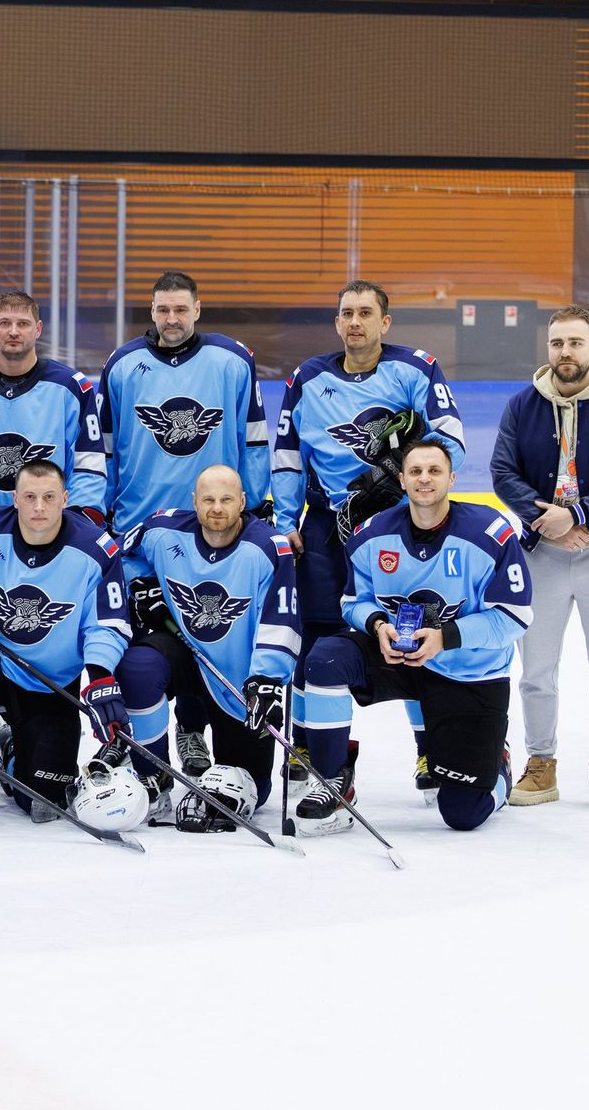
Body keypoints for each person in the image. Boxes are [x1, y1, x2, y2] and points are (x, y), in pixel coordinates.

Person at [271, 279, 465, 791]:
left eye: (365, 313)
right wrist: (286, 522)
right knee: (315, 636)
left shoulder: (416, 368)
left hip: (400, 527)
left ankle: (429, 749)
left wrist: (397, 478)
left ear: (385, 321)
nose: (355, 322)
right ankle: (311, 743)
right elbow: (288, 456)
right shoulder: (308, 377)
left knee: (413, 629)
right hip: (326, 526)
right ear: (337, 322)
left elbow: (450, 441)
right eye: (346, 313)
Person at [296, 440, 529, 834]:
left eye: (435, 471)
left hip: (468, 672)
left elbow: (514, 617)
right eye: (416, 471)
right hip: (400, 659)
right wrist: (377, 626)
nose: (425, 479)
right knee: (325, 658)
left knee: (463, 813)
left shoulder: (490, 533)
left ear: (452, 479)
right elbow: (352, 602)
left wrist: (445, 638)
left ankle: (498, 766)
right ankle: (333, 780)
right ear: (402, 480)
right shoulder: (371, 535)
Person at [490, 305, 589, 812]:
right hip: (541, 556)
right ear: (548, 348)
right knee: (536, 672)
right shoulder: (522, 406)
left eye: (576, 343)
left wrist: (577, 515)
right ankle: (541, 763)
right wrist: (549, 523)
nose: (566, 352)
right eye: (557, 343)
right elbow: (502, 473)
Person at [0, 460, 131, 823]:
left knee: (44, 802)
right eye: (29, 497)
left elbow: (107, 623)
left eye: (49, 497)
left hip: (47, 681)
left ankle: (11, 748)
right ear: (14, 499)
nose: (39, 507)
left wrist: (99, 674)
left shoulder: (96, 550)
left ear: (65, 499)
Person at [117, 465, 300, 828]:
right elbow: (118, 555)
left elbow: (282, 619)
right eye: (209, 499)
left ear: (243, 502)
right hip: (182, 650)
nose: (217, 508)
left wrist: (267, 679)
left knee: (253, 789)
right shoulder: (162, 530)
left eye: (226, 499)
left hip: (237, 676)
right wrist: (141, 583)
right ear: (195, 501)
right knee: (138, 669)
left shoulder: (269, 548)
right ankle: (153, 775)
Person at [95, 270, 269, 536]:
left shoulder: (234, 361)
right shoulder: (121, 365)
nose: (172, 319)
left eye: (181, 310)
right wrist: (99, 510)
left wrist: (252, 508)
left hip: (215, 524)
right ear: (152, 311)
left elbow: (254, 443)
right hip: (137, 523)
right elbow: (104, 449)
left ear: (197, 310)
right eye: (163, 310)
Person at [0, 289, 105, 516]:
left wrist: (76, 521)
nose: (13, 332)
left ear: (38, 329)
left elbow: (88, 464)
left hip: (50, 522)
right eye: (5, 323)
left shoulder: (72, 387)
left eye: (23, 324)